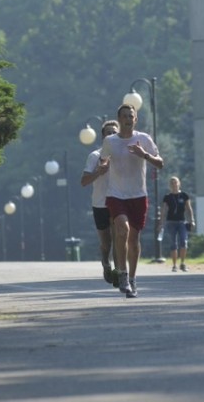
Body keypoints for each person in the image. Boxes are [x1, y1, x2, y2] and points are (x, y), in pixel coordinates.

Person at [100, 104, 164, 298]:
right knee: (122, 229)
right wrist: (103, 166)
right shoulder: (110, 141)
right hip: (116, 194)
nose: (128, 119)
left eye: (131, 116)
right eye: (125, 116)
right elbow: (103, 160)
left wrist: (144, 154)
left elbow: (160, 163)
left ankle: (133, 279)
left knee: (134, 240)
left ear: (136, 119)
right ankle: (123, 274)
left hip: (138, 195)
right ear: (119, 120)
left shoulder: (143, 139)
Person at [81, 120, 120, 285]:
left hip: (119, 201)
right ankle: (105, 262)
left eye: (114, 132)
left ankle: (120, 273)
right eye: (108, 132)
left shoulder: (123, 155)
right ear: (103, 137)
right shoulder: (95, 156)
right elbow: (83, 181)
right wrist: (99, 171)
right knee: (106, 242)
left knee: (118, 238)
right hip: (100, 204)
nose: (111, 135)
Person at [160, 176, 195, 272]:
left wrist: (192, 220)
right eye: (171, 183)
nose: (174, 184)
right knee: (173, 244)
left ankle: (182, 263)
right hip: (171, 222)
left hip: (182, 222)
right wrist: (161, 223)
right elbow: (164, 210)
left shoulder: (184, 195)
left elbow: (189, 208)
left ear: (179, 183)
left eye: (175, 182)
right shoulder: (167, 197)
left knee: (184, 241)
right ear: (169, 185)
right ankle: (174, 265)